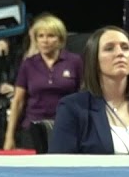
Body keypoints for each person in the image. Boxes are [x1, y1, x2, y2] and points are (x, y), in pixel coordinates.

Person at [50, 26, 129, 155]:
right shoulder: (73, 107)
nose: (120, 53)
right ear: (94, 60)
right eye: (109, 48)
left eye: (125, 48)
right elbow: (59, 163)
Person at [5, 14, 83, 151]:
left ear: (60, 39)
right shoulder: (28, 64)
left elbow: (83, 97)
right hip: (32, 129)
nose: (45, 41)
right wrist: (9, 136)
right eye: (40, 36)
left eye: (50, 36)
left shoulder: (75, 61)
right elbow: (17, 102)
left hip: (66, 128)